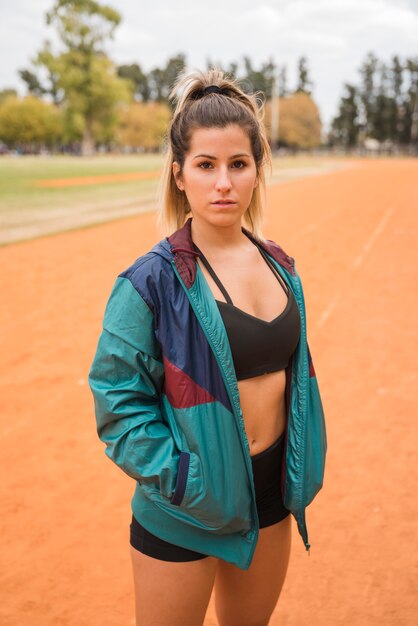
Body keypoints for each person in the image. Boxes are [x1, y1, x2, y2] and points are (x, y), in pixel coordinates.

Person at [88, 68, 327, 626]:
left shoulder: (280, 265)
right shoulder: (150, 281)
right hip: (185, 510)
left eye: (238, 164)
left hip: (269, 503)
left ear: (256, 170)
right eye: (206, 165)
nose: (224, 183)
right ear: (179, 175)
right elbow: (117, 401)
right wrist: (185, 480)